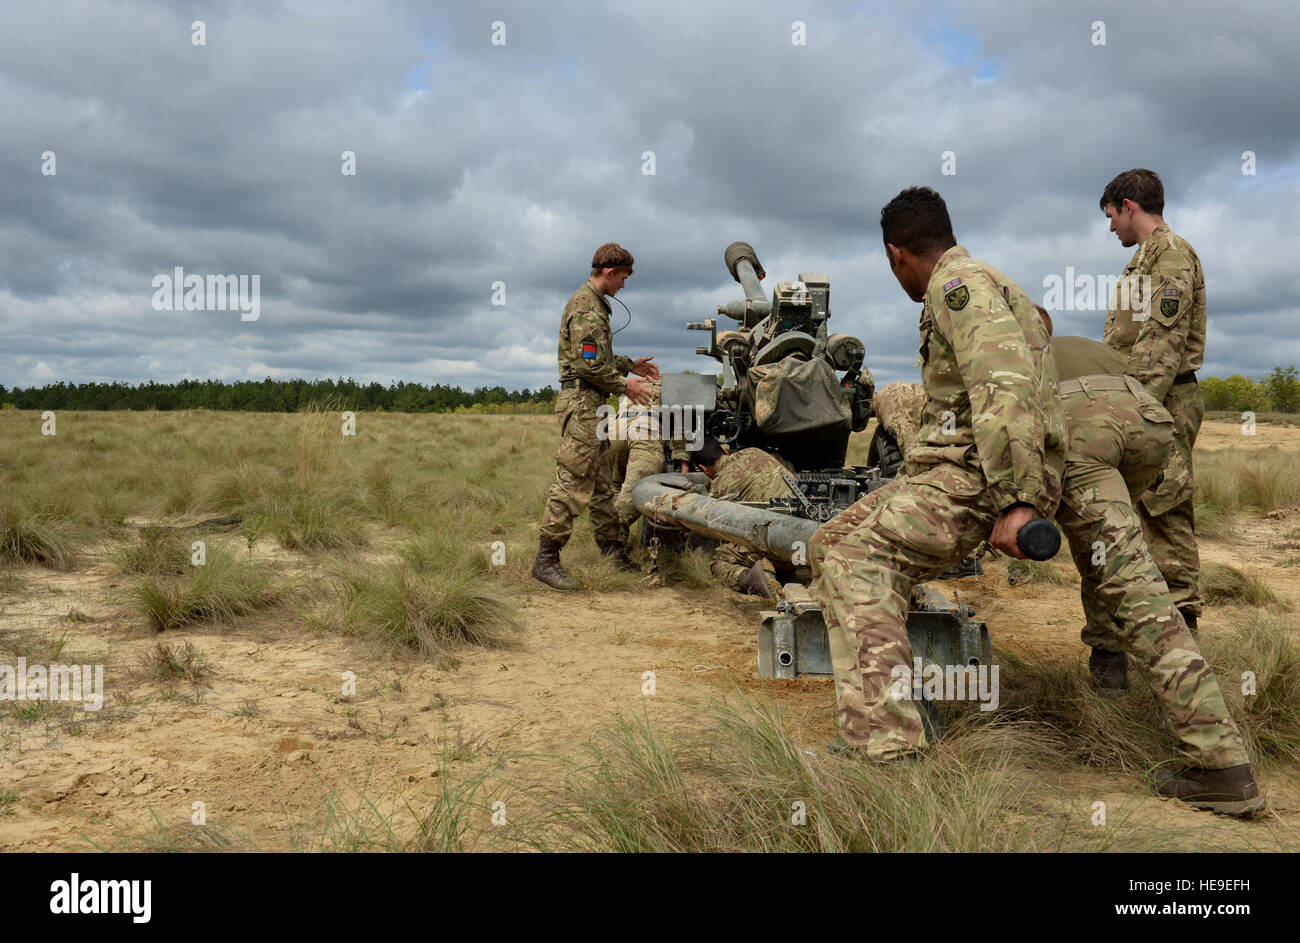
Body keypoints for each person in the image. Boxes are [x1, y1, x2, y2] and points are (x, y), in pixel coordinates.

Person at [808, 186, 1066, 761]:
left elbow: (1005, 389)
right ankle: (895, 701)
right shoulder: (981, 282)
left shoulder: (958, 288)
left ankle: (888, 746)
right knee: (827, 543)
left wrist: (1017, 501)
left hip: (975, 482)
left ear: (896, 254)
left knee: (856, 559)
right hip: (951, 475)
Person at [1049, 330, 1262, 814]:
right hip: (1150, 426)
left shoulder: (1011, 357)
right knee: (1107, 551)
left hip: (1088, 430)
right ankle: (1107, 667)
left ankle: (1221, 765)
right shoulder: (1086, 346)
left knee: (1132, 583)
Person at [1099, 169, 1206, 641]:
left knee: (1165, 507)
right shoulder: (1143, 259)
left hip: (1162, 401)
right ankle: (1148, 629)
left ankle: (1183, 633)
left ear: (1129, 206)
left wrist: (1136, 412)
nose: (1110, 229)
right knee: (1139, 511)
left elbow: (1163, 344)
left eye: (1111, 217)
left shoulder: (1172, 255)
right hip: (1143, 399)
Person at [533, 243, 659, 591]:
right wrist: (626, 386)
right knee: (575, 482)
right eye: (622, 278)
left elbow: (597, 359)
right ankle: (546, 560)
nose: (623, 286)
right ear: (608, 272)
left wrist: (629, 365)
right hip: (583, 406)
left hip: (594, 404)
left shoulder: (594, 305)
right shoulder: (586, 306)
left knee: (603, 483)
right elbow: (587, 365)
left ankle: (613, 551)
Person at [694, 437, 794, 598]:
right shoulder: (754, 451)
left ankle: (754, 578)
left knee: (717, 561)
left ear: (704, 469)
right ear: (725, 450)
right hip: (798, 539)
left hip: (771, 544)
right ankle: (794, 574)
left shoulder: (720, 484)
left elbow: (713, 527)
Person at [610, 375, 691, 551]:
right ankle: (611, 542)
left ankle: (616, 541)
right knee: (637, 491)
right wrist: (683, 460)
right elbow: (678, 424)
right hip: (644, 431)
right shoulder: (669, 386)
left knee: (615, 487)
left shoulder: (636, 384)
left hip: (615, 430)